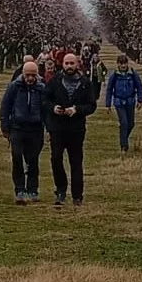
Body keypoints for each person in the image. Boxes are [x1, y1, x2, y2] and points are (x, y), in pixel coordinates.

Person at [45, 52, 97, 206]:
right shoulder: (54, 81)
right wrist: (53, 108)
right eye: (66, 63)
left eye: (71, 63)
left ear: (77, 64)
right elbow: (44, 99)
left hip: (76, 129)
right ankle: (60, 190)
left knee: (76, 162)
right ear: (62, 64)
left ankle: (77, 195)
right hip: (57, 128)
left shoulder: (85, 83)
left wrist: (77, 110)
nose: (69, 66)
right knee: (56, 159)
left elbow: (92, 105)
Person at [0, 57, 47, 204]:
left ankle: (33, 189)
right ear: (23, 74)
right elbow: (5, 106)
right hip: (17, 128)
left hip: (35, 128)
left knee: (33, 160)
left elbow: (46, 109)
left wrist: (49, 127)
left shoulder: (42, 88)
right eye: (28, 75)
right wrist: (5, 126)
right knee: (17, 156)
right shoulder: (14, 87)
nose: (30, 78)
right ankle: (19, 189)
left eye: (33, 75)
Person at [104, 54, 142, 152]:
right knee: (124, 122)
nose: (123, 66)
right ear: (118, 64)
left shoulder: (133, 74)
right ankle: (124, 146)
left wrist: (140, 100)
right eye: (121, 64)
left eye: (125, 63)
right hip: (119, 102)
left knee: (131, 123)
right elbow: (109, 89)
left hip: (130, 101)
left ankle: (124, 137)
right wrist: (108, 104)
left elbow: (139, 87)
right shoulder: (114, 75)